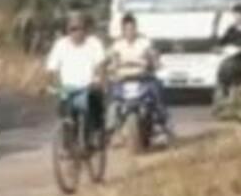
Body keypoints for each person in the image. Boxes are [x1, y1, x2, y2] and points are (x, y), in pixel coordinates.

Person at [46, 11, 109, 143]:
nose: (76, 32)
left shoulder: (94, 43)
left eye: (80, 28)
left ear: (85, 29)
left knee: (95, 103)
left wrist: (101, 82)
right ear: (68, 30)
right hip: (68, 89)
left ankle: (96, 134)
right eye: (73, 29)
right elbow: (51, 69)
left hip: (89, 87)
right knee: (65, 114)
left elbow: (102, 65)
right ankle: (67, 142)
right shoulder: (60, 45)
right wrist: (52, 85)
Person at [109, 13, 172, 138]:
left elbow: (152, 55)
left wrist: (156, 63)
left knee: (158, 90)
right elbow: (113, 61)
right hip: (123, 80)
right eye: (127, 29)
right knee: (112, 101)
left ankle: (162, 125)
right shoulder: (117, 44)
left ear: (136, 28)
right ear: (122, 30)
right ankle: (112, 130)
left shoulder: (144, 41)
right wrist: (112, 68)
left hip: (144, 78)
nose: (130, 32)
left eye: (132, 28)